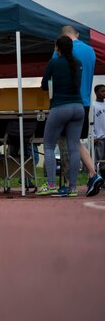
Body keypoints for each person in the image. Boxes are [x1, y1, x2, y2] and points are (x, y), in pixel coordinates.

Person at [57, 25, 102, 196]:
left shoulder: (61, 49)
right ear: (76, 34)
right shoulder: (90, 50)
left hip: (66, 101)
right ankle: (92, 174)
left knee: (66, 143)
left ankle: (72, 183)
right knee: (75, 141)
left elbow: (56, 76)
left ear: (62, 37)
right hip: (85, 101)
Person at [38, 36, 85, 196]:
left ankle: (51, 184)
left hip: (60, 107)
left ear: (57, 47)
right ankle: (73, 187)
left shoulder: (54, 62)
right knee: (74, 147)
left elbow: (44, 85)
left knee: (49, 145)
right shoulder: (78, 63)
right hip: (78, 108)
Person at [92, 84, 105, 164]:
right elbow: (91, 122)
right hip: (99, 138)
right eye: (102, 91)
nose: (104, 93)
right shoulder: (93, 105)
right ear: (96, 92)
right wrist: (93, 136)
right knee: (98, 161)